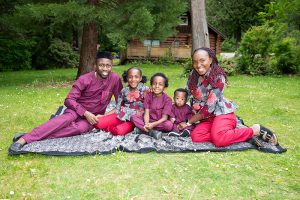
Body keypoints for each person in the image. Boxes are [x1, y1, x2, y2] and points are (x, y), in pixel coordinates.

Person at [9, 51, 123, 152]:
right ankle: (22, 141)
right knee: (64, 120)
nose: (105, 69)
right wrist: (85, 113)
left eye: (108, 66)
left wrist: (104, 116)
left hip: (93, 117)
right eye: (101, 65)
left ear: (111, 66)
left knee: (79, 129)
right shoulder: (84, 79)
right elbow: (69, 100)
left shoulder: (115, 79)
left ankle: (31, 136)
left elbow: (121, 102)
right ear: (95, 66)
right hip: (76, 111)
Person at [184, 47, 278, 147]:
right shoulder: (193, 75)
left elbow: (208, 108)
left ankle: (254, 130)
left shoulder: (218, 77)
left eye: (202, 60)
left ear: (210, 60)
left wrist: (189, 122)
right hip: (207, 119)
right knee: (196, 136)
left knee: (219, 140)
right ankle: (233, 134)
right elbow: (185, 93)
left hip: (222, 114)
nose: (198, 65)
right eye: (195, 62)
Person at [94, 67, 148, 135]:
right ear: (127, 78)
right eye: (130, 77)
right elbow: (118, 108)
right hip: (121, 115)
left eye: (136, 77)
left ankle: (115, 127)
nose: (133, 79)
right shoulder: (124, 91)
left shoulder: (146, 90)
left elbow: (150, 108)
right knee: (97, 122)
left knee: (119, 131)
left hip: (135, 119)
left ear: (140, 78)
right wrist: (104, 115)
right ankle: (113, 125)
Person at [131, 73, 173, 139]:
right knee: (133, 117)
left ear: (165, 87)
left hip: (159, 122)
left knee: (169, 125)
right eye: (154, 83)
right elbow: (146, 112)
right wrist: (147, 124)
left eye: (160, 84)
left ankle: (142, 130)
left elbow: (164, 118)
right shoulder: (148, 96)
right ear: (151, 85)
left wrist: (153, 124)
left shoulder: (168, 99)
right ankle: (151, 132)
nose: (157, 86)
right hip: (148, 120)